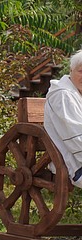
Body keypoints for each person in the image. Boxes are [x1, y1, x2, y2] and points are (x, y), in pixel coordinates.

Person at [44, 49, 82, 188]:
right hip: (74, 164)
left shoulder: (77, 93)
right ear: (71, 70)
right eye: (81, 71)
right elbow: (76, 138)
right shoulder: (63, 96)